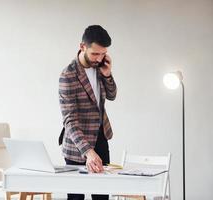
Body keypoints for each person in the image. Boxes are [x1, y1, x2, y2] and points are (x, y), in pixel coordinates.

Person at [58, 25, 117, 200]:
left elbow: (112, 95)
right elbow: (70, 121)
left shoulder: (100, 67)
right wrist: (88, 152)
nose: (99, 58)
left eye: (102, 54)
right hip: (78, 145)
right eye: (94, 54)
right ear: (82, 46)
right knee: (76, 197)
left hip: (100, 138)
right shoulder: (68, 75)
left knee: (102, 196)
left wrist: (107, 74)